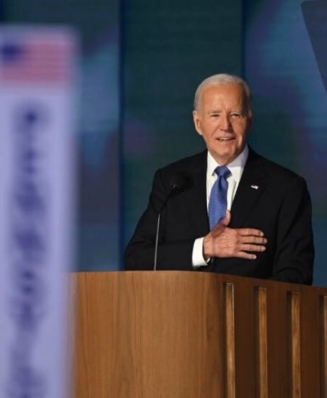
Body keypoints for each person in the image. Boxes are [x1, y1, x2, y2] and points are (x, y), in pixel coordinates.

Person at [124, 73, 314, 285]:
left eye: (235, 115)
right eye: (215, 115)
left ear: (249, 120)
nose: (225, 126)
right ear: (198, 123)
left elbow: (297, 274)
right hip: (180, 313)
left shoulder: (286, 187)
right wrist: (204, 248)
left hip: (250, 315)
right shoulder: (171, 181)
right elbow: (136, 259)